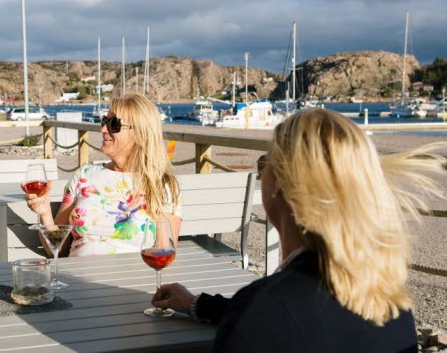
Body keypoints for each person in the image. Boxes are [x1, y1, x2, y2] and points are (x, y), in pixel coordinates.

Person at [152, 108, 445, 352]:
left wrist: (242, 310)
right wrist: (196, 304)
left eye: (264, 163)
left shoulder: (266, 307)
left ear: (278, 181)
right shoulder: (392, 300)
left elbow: (273, 317)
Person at [25, 93, 182, 256]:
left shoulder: (161, 184)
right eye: (104, 121)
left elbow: (165, 251)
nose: (103, 129)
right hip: (76, 275)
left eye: (113, 124)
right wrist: (44, 213)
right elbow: (55, 248)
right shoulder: (84, 175)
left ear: (140, 133)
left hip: (131, 278)